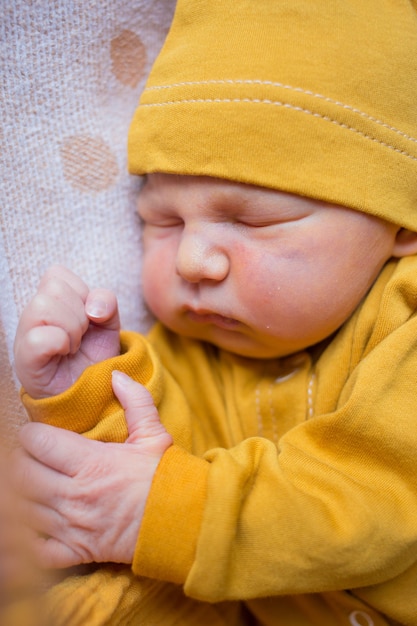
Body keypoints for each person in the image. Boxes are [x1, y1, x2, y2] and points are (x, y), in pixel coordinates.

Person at [12, 0, 417, 624]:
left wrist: (161, 513)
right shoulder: (195, 348)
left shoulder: (406, 319)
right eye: (162, 222)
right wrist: (92, 388)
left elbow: (378, 499)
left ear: (402, 224)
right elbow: (165, 463)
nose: (193, 261)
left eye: (253, 220)